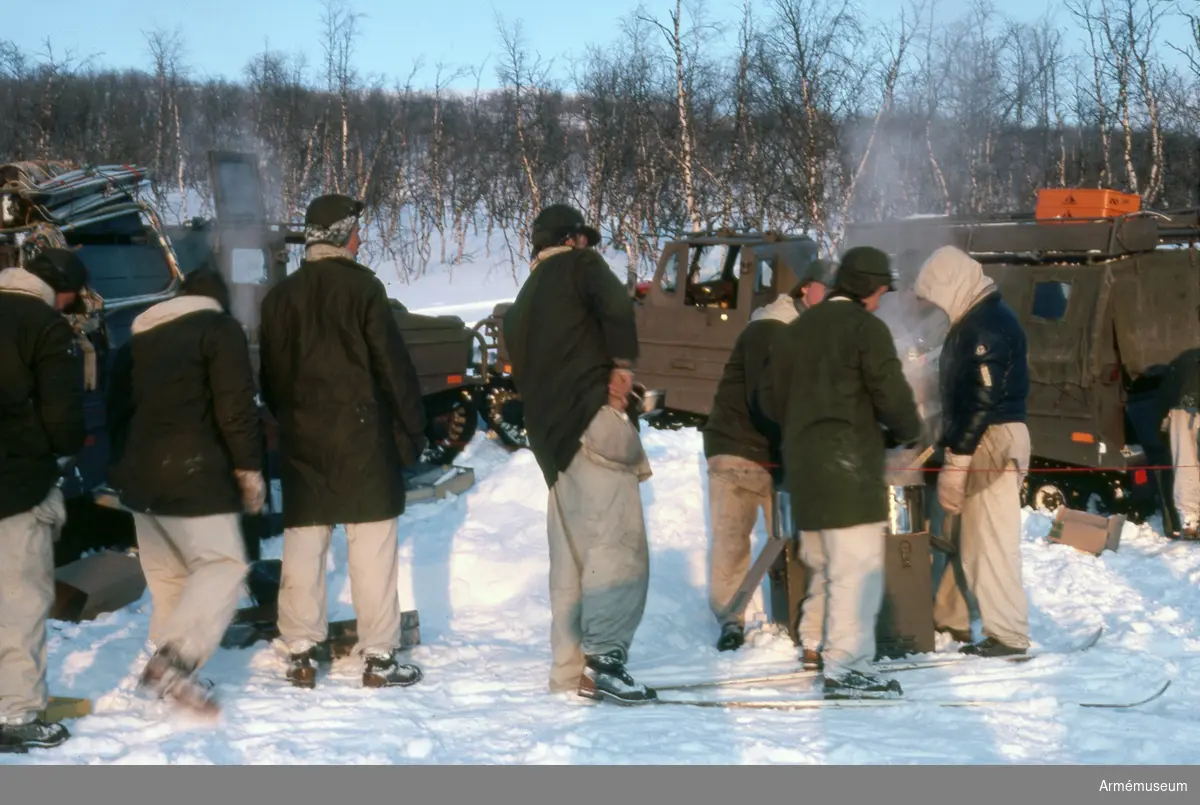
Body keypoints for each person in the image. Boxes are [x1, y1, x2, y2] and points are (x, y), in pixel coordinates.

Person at [258, 193, 428, 689]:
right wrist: (414, 426)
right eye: (355, 229)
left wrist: (293, 417)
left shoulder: (279, 297)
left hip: (303, 440)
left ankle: (302, 653)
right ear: (339, 236)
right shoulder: (364, 291)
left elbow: (268, 379)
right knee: (372, 548)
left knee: (304, 547)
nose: (361, 237)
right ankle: (378, 657)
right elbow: (393, 367)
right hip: (363, 438)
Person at [502, 203, 655, 705]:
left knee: (569, 559)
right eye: (584, 239)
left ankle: (569, 669)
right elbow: (616, 304)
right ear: (573, 241)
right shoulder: (581, 265)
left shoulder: (521, 302)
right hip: (594, 420)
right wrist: (623, 367)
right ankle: (607, 663)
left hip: (552, 444)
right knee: (616, 547)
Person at [759, 246, 922, 699]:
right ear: (872, 288)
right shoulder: (865, 329)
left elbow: (768, 401)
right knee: (857, 571)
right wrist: (908, 431)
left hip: (804, 473)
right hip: (848, 469)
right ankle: (846, 669)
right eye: (882, 291)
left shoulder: (795, 330)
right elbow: (891, 394)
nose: (882, 299)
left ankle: (820, 647)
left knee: (827, 569)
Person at [106, 267, 264, 712]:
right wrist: (249, 468)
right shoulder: (217, 328)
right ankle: (173, 662)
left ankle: (172, 679)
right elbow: (236, 407)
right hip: (194, 474)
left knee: (171, 577)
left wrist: (124, 469)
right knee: (224, 565)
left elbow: (115, 411)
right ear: (218, 300)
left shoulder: (135, 341)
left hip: (140, 482)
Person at [702, 259, 833, 656]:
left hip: (774, 453)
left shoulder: (805, 332)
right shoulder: (770, 329)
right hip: (739, 451)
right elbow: (769, 402)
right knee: (732, 539)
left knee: (794, 538)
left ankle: (801, 615)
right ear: (807, 289)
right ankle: (730, 620)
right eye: (827, 292)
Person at [915, 245, 1032, 657]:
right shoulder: (980, 318)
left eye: (935, 297)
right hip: (990, 436)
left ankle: (1009, 635)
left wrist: (957, 460)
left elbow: (982, 399)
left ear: (951, 285)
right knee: (967, 539)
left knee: (991, 543)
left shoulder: (983, 328)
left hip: (992, 439)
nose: (935, 308)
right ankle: (953, 619)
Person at [0, 248, 87, 751]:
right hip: (16, 484)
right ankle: (15, 714)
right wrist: (61, 453)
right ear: (61, 289)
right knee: (20, 599)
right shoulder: (45, 327)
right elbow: (62, 416)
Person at [1157, 348, 1200, 539]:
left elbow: (1166, 393)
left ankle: (1190, 520)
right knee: (1187, 463)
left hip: (1179, 407)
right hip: (1184, 407)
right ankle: (1190, 519)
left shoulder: (1185, 359)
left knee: (1185, 463)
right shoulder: (1188, 359)